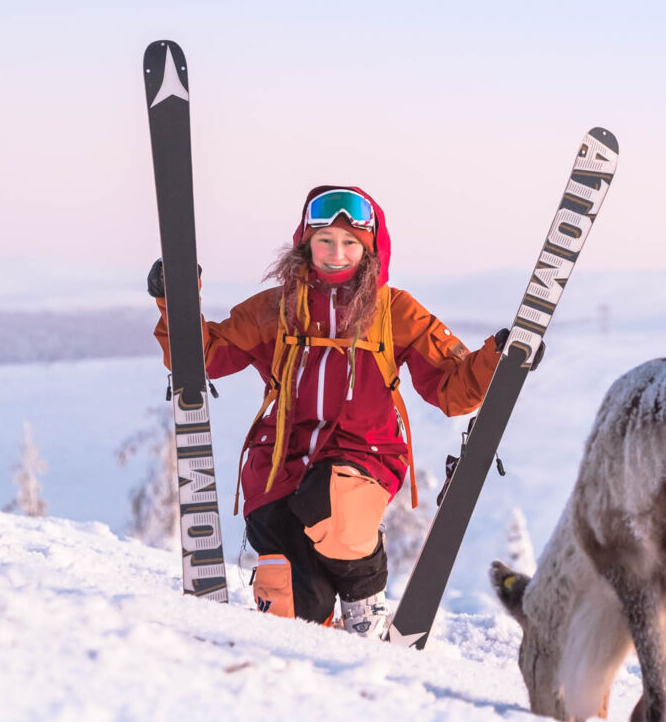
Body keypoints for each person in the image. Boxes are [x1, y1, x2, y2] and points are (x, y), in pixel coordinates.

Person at [148, 185, 516, 638]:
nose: (336, 254)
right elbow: (208, 356)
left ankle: (365, 606)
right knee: (292, 610)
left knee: (334, 505)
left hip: (363, 455)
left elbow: (452, 389)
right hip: (279, 461)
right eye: (325, 240)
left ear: (370, 249)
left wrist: (497, 359)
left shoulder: (394, 312)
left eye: (350, 244)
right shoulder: (278, 308)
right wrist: (177, 304)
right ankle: (309, 651)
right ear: (306, 242)